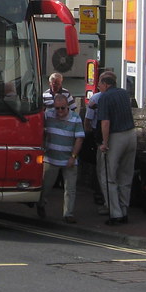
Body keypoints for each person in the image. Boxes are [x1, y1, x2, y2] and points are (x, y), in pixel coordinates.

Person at [96, 72, 137, 226]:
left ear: (106, 84)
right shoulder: (124, 93)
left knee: (108, 176)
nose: (99, 87)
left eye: (100, 84)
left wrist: (104, 143)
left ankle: (115, 213)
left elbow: (105, 123)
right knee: (126, 175)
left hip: (116, 136)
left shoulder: (104, 97)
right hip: (131, 135)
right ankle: (124, 210)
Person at [38, 94, 84, 223]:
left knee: (70, 188)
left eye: (62, 108)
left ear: (68, 106)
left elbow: (79, 138)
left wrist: (73, 157)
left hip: (69, 158)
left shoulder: (75, 118)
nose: (59, 111)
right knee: (46, 186)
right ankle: (41, 204)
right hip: (51, 158)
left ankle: (68, 214)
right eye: (57, 108)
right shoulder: (49, 114)